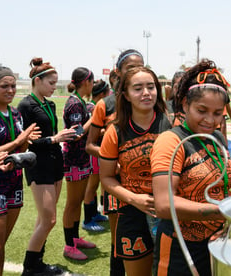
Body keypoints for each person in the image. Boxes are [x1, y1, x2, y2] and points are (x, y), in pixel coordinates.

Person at [151, 59, 231, 275]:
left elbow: (221, 185)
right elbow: (163, 204)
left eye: (218, 113)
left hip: (217, 241)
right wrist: (223, 212)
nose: (210, 120)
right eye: (202, 110)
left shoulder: (216, 137)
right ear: (185, 104)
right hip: (180, 247)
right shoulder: (170, 141)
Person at [100, 66, 171, 275]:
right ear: (126, 95)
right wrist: (134, 199)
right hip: (132, 213)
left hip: (169, 212)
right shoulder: (114, 132)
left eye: (151, 87)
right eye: (138, 88)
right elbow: (106, 178)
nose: (146, 93)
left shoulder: (172, 124)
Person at [86, 49, 144, 275]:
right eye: (131, 67)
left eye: (141, 65)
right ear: (118, 72)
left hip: (146, 183)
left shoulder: (151, 102)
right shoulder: (105, 105)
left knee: (147, 240)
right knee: (119, 242)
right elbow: (90, 145)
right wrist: (113, 159)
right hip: (116, 183)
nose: (137, 70)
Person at [17, 58, 77, 275]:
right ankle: (29, 268)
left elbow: (51, 135)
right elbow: (24, 141)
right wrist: (54, 139)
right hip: (37, 163)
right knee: (50, 219)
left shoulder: (50, 104)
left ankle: (37, 263)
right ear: (37, 81)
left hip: (55, 162)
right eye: (51, 83)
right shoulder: (25, 105)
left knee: (44, 219)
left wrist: (64, 137)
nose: (54, 87)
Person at [0, 66, 40, 276]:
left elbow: (18, 146)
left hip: (13, 181)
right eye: (4, 86)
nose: (10, 90)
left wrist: (24, 145)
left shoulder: (15, 113)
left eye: (12, 85)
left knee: (1, 246)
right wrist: (17, 141)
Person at [62, 67, 96, 261]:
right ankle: (69, 245)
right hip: (74, 160)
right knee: (72, 204)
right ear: (86, 82)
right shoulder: (74, 103)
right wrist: (94, 118)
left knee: (77, 203)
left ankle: (75, 239)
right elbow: (75, 134)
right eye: (92, 81)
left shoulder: (81, 102)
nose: (93, 85)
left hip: (82, 159)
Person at [82, 79, 110, 233]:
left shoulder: (90, 106)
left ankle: (94, 214)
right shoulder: (94, 107)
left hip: (96, 150)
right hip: (94, 151)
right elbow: (88, 132)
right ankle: (87, 219)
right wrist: (106, 131)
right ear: (102, 94)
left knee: (95, 184)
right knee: (92, 185)